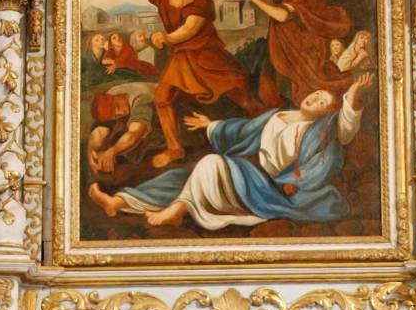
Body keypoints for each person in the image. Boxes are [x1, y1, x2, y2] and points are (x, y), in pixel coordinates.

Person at [90, 76, 372, 231]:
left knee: (210, 164)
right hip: (248, 172)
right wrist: (210, 125)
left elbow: (346, 128)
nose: (317, 98)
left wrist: (352, 99)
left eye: (324, 101)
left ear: (326, 112)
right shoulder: (278, 115)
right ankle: (118, 201)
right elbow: (244, 131)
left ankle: (177, 210)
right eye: (317, 93)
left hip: (269, 187)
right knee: (181, 177)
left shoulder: (321, 131)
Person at [100, 0, 262, 169]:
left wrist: (166, 37)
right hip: (182, 57)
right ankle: (175, 148)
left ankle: (264, 129)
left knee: (242, 98)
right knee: (162, 98)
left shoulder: (202, 0)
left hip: (207, 55)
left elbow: (189, 30)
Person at [246, 0, 352, 107]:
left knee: (302, 93)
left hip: (301, 49)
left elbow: (283, 15)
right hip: (278, 43)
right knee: (267, 91)